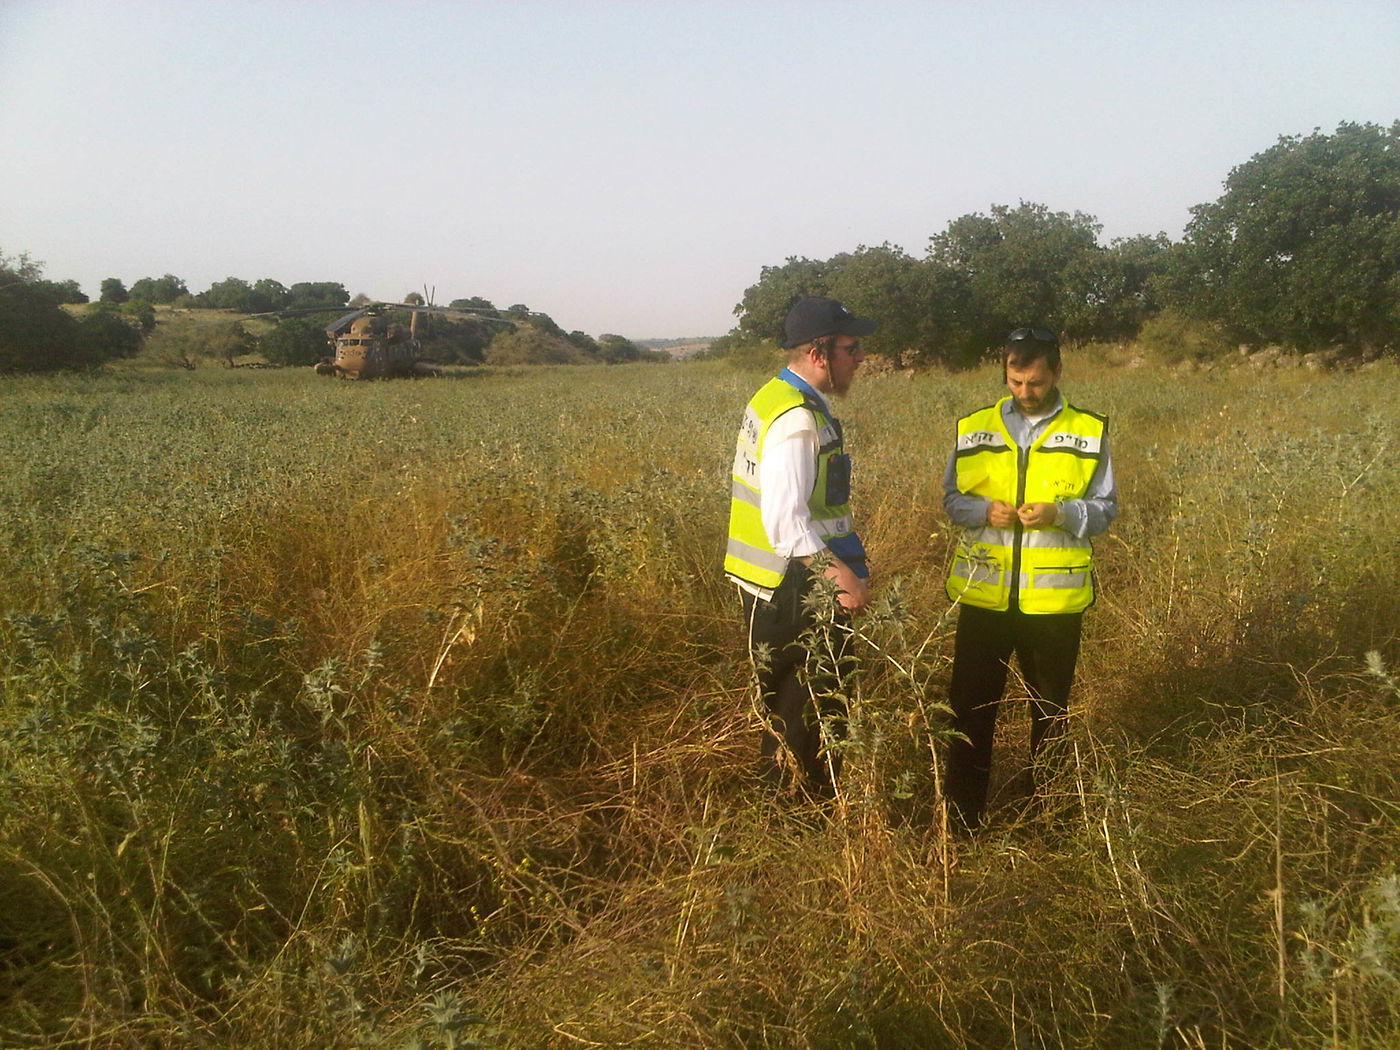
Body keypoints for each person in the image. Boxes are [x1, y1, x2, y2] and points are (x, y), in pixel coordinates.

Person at [941, 326, 1116, 829]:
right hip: (984, 596)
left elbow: (1105, 509)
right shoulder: (974, 428)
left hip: (1052, 605)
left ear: (1056, 373)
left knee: (1050, 713)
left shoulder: (1088, 431)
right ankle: (962, 822)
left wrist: (1061, 513)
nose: (1025, 392)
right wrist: (982, 511)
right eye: (1015, 382)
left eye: (1035, 382)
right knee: (970, 711)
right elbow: (952, 500)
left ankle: (1048, 819)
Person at [724, 296, 876, 797]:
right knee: (814, 709)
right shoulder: (796, 418)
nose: (860, 358)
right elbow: (786, 521)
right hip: (796, 585)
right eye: (851, 348)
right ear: (818, 353)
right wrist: (841, 578)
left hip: (771, 581)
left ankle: (787, 805)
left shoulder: (777, 396)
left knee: (789, 708)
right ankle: (807, 812)